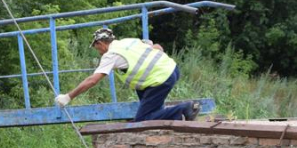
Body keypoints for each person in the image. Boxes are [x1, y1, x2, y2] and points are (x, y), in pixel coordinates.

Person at [55, 28, 199, 122]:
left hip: (160, 79)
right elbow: (157, 47)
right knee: (150, 106)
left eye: (96, 47)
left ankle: (184, 109)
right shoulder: (128, 41)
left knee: (144, 119)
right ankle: (176, 115)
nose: (97, 50)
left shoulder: (110, 54)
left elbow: (93, 80)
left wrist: (68, 97)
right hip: (172, 69)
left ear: (100, 43)